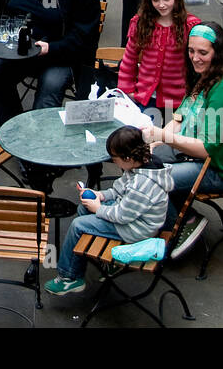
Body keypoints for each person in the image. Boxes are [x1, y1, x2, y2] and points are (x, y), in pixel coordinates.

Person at [142, 22, 223, 259]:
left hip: (221, 170)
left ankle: (183, 224)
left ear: (219, 52)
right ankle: (164, 222)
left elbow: (206, 149)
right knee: (140, 161)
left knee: (149, 179)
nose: (195, 58)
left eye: (203, 52)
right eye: (191, 51)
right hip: (194, 157)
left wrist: (162, 136)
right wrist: (153, 144)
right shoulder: (203, 77)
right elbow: (180, 117)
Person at [44, 126, 175, 296]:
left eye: (114, 159)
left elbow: (121, 216)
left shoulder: (142, 184)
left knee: (78, 225)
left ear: (127, 158)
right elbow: (118, 191)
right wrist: (101, 196)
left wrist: (98, 208)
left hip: (136, 230)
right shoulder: (140, 165)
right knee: (84, 209)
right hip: (130, 216)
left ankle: (70, 277)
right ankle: (81, 260)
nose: (113, 162)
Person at [117, 0, 201, 121]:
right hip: (147, 97)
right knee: (146, 137)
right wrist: (127, 89)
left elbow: (201, 63)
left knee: (174, 140)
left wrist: (196, 93)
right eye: (155, 0)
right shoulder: (140, 22)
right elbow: (129, 58)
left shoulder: (190, 25)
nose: (161, 5)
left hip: (179, 100)